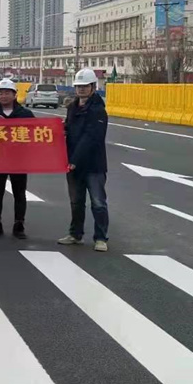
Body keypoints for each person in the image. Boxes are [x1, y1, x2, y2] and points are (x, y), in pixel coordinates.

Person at [58, 68, 110, 252]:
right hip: (73, 164)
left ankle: (101, 238)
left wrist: (75, 160)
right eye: (78, 86)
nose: (80, 89)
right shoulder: (73, 107)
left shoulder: (98, 110)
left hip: (93, 165)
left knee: (98, 202)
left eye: (84, 86)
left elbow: (91, 137)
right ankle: (75, 234)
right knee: (76, 201)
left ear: (93, 87)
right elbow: (69, 129)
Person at [0, 78, 35, 238]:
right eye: (1, 93)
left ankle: (19, 225)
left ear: (14, 95)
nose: (4, 96)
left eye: (7, 93)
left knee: (19, 193)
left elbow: (35, 135)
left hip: (19, 160)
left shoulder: (25, 114)